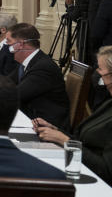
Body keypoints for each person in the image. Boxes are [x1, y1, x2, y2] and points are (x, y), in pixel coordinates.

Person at [33, 45, 112, 186]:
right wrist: (55, 130)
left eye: (101, 72)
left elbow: (106, 170)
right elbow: (84, 139)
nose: (99, 77)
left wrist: (64, 140)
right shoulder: (109, 103)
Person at [6, 23, 70, 129]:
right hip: (30, 116)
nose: (6, 44)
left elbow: (16, 94)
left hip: (46, 124)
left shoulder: (43, 67)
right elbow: (5, 82)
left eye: (9, 41)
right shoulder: (28, 62)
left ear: (20, 44)